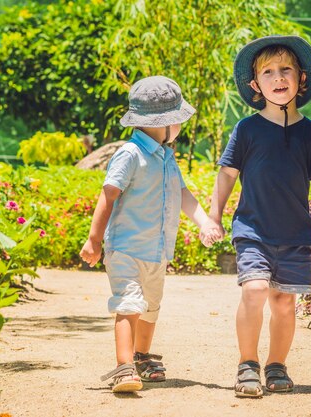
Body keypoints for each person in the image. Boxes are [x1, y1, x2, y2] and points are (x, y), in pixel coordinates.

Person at [207, 35, 311, 397]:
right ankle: (247, 365)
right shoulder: (247, 129)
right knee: (254, 290)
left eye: (285, 69)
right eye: (268, 71)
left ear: (300, 78)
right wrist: (214, 215)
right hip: (252, 229)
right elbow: (227, 174)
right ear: (256, 85)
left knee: (284, 302)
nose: (278, 77)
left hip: (295, 234)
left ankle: (276, 365)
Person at [80, 75, 223, 393]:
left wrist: (204, 222)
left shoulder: (166, 156)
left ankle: (142, 356)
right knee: (129, 304)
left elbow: (182, 193)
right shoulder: (130, 154)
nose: (182, 126)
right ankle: (123, 366)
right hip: (126, 247)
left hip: (157, 251)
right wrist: (93, 239)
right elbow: (108, 194)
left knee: (151, 307)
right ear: (164, 123)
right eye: (180, 120)